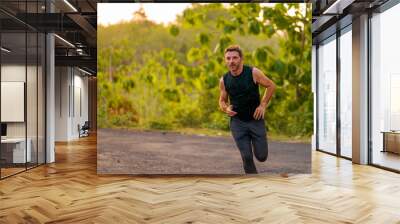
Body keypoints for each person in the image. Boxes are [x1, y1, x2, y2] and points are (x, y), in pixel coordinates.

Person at [219, 45, 276, 174]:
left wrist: (262, 105)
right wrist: (226, 108)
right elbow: (222, 100)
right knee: (247, 157)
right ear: (225, 60)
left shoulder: (253, 72)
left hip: (255, 120)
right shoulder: (224, 80)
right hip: (237, 122)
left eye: (234, 58)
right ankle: (252, 184)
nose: (231, 61)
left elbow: (271, 85)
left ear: (241, 59)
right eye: (228, 58)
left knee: (261, 156)